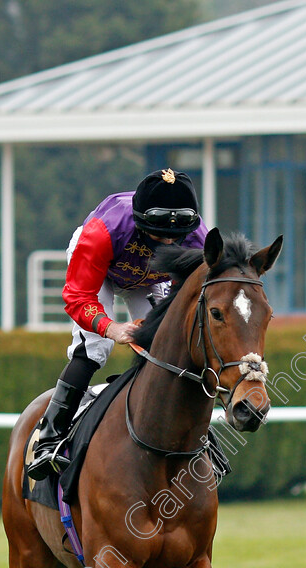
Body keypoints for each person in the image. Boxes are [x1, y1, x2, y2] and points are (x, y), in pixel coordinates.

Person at [27, 168, 208, 480]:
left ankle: (200, 435)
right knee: (95, 348)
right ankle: (50, 437)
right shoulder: (101, 232)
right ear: (140, 222)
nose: (168, 241)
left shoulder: (197, 236)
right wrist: (112, 328)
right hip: (103, 270)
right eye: (159, 233)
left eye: (175, 237)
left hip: (149, 276)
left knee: (170, 342)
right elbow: (77, 297)